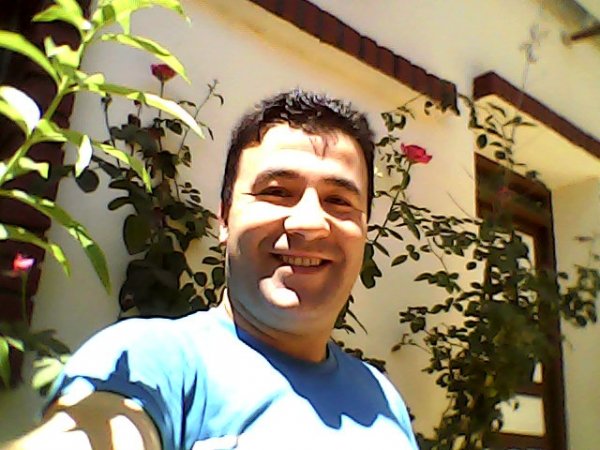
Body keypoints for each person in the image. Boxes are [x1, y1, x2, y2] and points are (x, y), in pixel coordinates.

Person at [3, 90, 418, 450]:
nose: (309, 222)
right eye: (277, 192)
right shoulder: (152, 360)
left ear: (364, 229)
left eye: (339, 201)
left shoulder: (382, 397)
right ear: (223, 219)